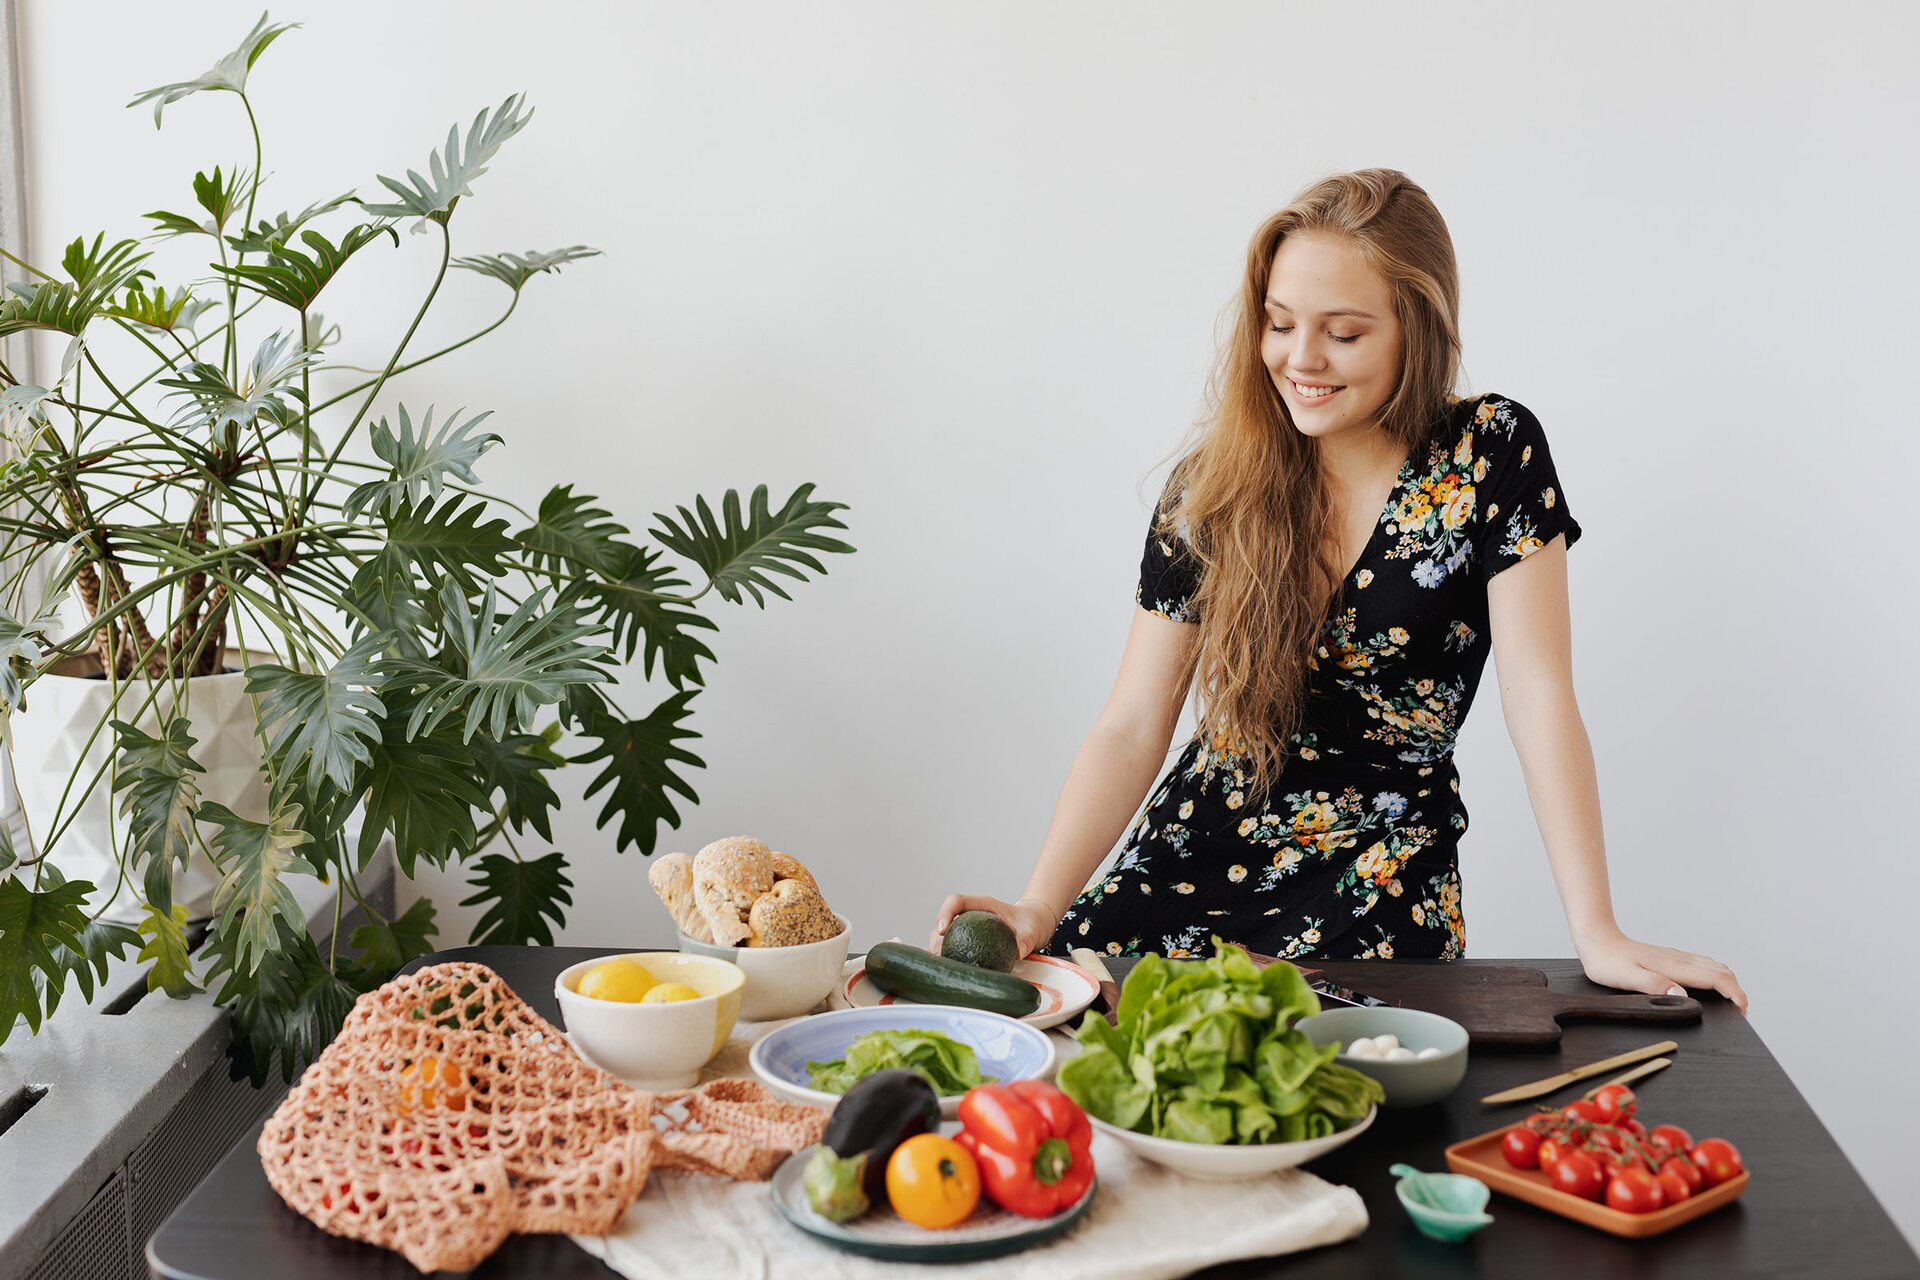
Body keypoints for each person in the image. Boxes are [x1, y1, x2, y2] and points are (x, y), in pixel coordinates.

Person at [932, 168, 1746, 1009]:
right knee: (1070, 1049)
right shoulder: (1212, 485)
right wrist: (1038, 903)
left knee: (1330, 1086)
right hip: (1193, 857)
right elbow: (1134, 722)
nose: (1300, 359)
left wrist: (1597, 931)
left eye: (1344, 334)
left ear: (1415, 331)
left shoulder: (1491, 452)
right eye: (1279, 325)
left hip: (1381, 874)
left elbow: (1538, 694)